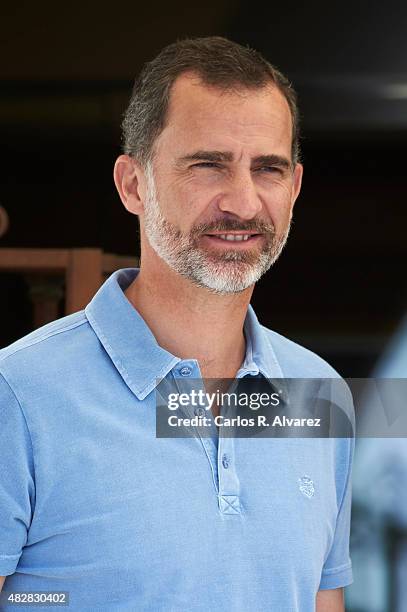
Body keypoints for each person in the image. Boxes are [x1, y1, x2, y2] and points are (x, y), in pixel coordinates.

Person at [0, 37, 354, 611]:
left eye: (268, 168)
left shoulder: (319, 393)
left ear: (294, 188)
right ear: (133, 184)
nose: (242, 202)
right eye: (207, 165)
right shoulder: (17, 397)